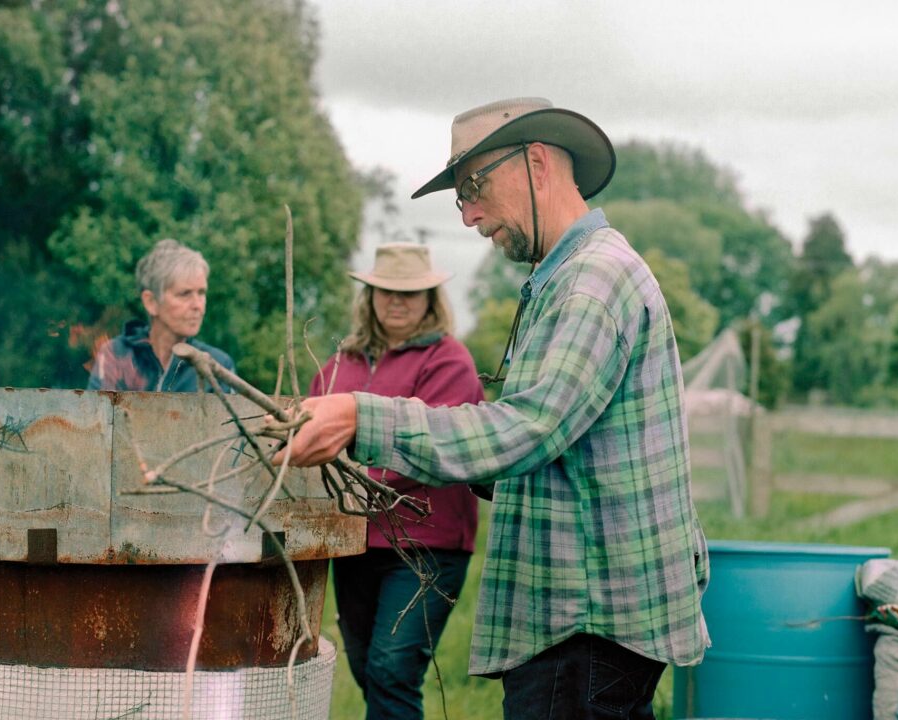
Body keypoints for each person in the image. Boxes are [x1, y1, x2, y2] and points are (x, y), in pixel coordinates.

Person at [272, 98, 710, 719]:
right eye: (459, 195)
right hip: (582, 617)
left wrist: (361, 418)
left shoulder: (592, 283)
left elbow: (529, 428)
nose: (470, 214)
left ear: (537, 163)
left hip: (587, 617)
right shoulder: (564, 280)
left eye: (474, 185)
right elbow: (551, 450)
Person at [315, 243, 484, 720]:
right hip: (354, 543)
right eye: (385, 291)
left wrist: (347, 478)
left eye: (410, 293)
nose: (397, 302)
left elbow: (429, 450)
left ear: (431, 299)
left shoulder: (448, 361)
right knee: (368, 668)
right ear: (369, 297)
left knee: (392, 669)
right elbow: (309, 428)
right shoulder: (340, 364)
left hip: (424, 544)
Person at [88, 238, 235, 392]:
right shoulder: (116, 354)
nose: (198, 305)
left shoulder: (218, 365)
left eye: (201, 293)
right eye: (185, 294)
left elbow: (234, 416)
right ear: (151, 302)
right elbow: (96, 415)